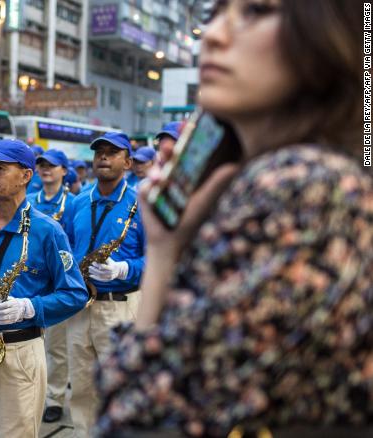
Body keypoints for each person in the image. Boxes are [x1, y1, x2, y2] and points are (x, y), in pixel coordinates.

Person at [98, 1, 373, 437]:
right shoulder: (302, 179)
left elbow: (140, 421)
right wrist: (164, 247)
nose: (213, 35)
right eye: (214, 14)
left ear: (327, 35)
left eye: (256, 11)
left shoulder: (304, 188)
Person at [0, 139, 87, 438]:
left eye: (0, 168)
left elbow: (75, 294)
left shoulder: (48, 231)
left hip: (17, 352)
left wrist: (31, 307)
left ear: (25, 175)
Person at [66, 131, 145, 437]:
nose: (103, 157)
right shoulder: (78, 202)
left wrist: (125, 269)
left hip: (119, 309)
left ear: (127, 162)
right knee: (82, 388)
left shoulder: (142, 203)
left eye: (112, 153)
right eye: (99, 152)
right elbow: (69, 247)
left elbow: (159, 259)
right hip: (80, 307)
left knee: (119, 389)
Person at [26, 148, 77, 424]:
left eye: (52, 165)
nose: (46, 169)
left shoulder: (72, 204)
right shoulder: (30, 200)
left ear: (64, 171)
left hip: (55, 283)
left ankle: (55, 397)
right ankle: (34, 393)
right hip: (30, 280)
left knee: (56, 348)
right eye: (42, 165)